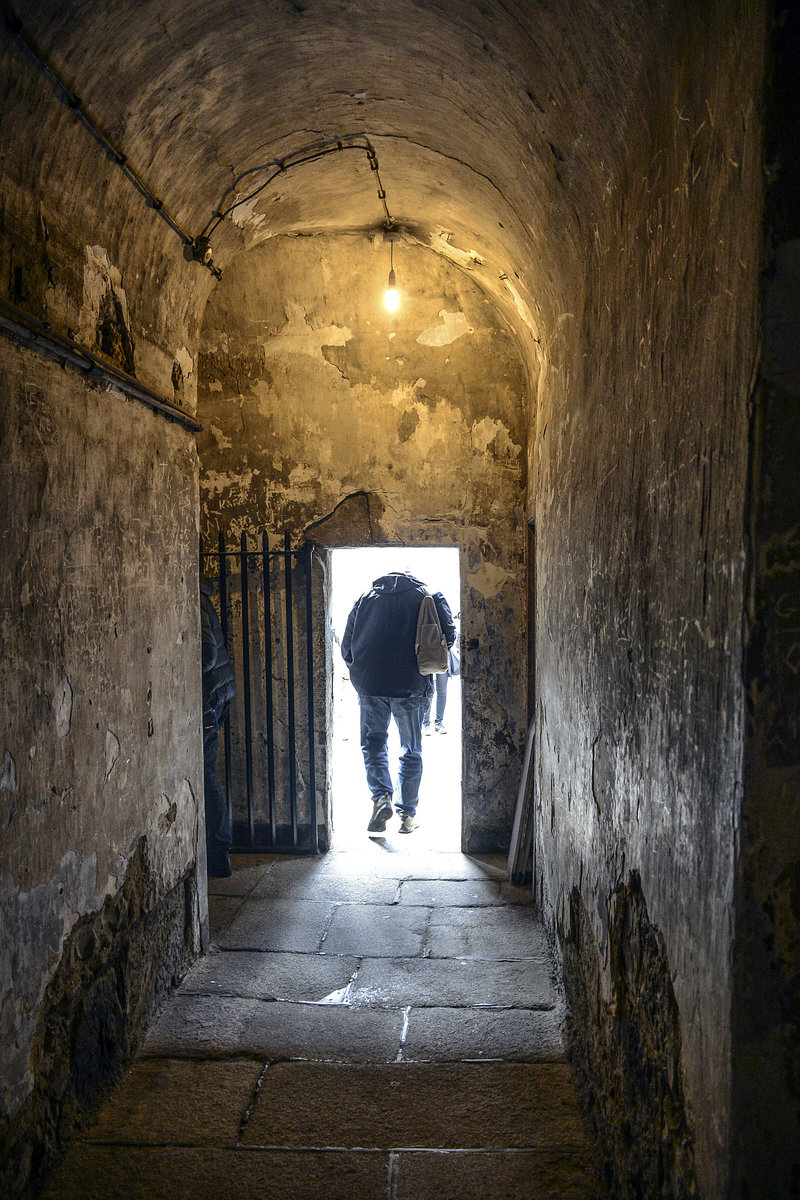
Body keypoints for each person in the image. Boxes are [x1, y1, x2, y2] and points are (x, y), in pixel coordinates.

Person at [341, 570, 455, 834]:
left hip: (370, 684)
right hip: (411, 685)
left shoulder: (365, 598)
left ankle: (381, 797)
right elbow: (448, 638)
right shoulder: (429, 596)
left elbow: (347, 644)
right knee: (410, 749)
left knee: (373, 744)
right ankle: (407, 816)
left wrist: (359, 674)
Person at [200, 575, 237, 877]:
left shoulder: (194, 599)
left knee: (206, 774)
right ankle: (217, 852)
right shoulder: (200, 598)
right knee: (206, 772)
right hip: (215, 696)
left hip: (207, 701)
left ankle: (217, 853)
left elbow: (206, 654)